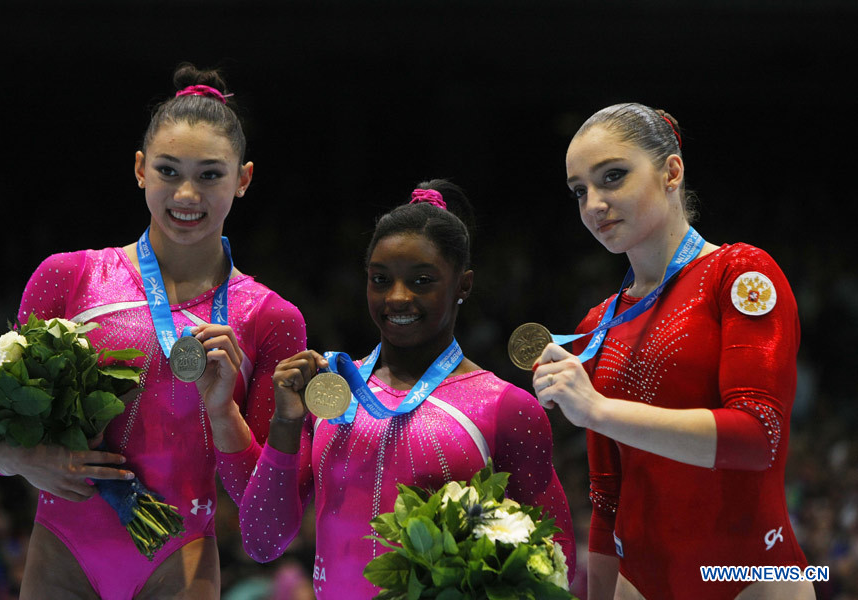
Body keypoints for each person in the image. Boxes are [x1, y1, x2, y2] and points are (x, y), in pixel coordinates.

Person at [0, 63, 306, 599]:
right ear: (141, 170)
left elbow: (267, 534)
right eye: (169, 171)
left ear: (243, 179)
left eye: (210, 174)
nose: (187, 194)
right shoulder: (69, 278)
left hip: (181, 564)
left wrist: (223, 412)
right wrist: (21, 458)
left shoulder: (271, 318)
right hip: (63, 555)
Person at [217, 180, 576, 599]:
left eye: (423, 280)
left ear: (464, 284)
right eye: (380, 279)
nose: (398, 297)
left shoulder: (505, 407)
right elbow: (264, 541)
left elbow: (556, 561)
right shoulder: (330, 391)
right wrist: (285, 421)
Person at [531, 102, 813, 599]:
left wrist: (597, 409)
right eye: (580, 190)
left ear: (671, 171)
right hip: (640, 584)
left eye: (613, 176)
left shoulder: (739, 274)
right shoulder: (598, 326)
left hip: (753, 581)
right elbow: (606, 497)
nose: (594, 203)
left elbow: (756, 438)